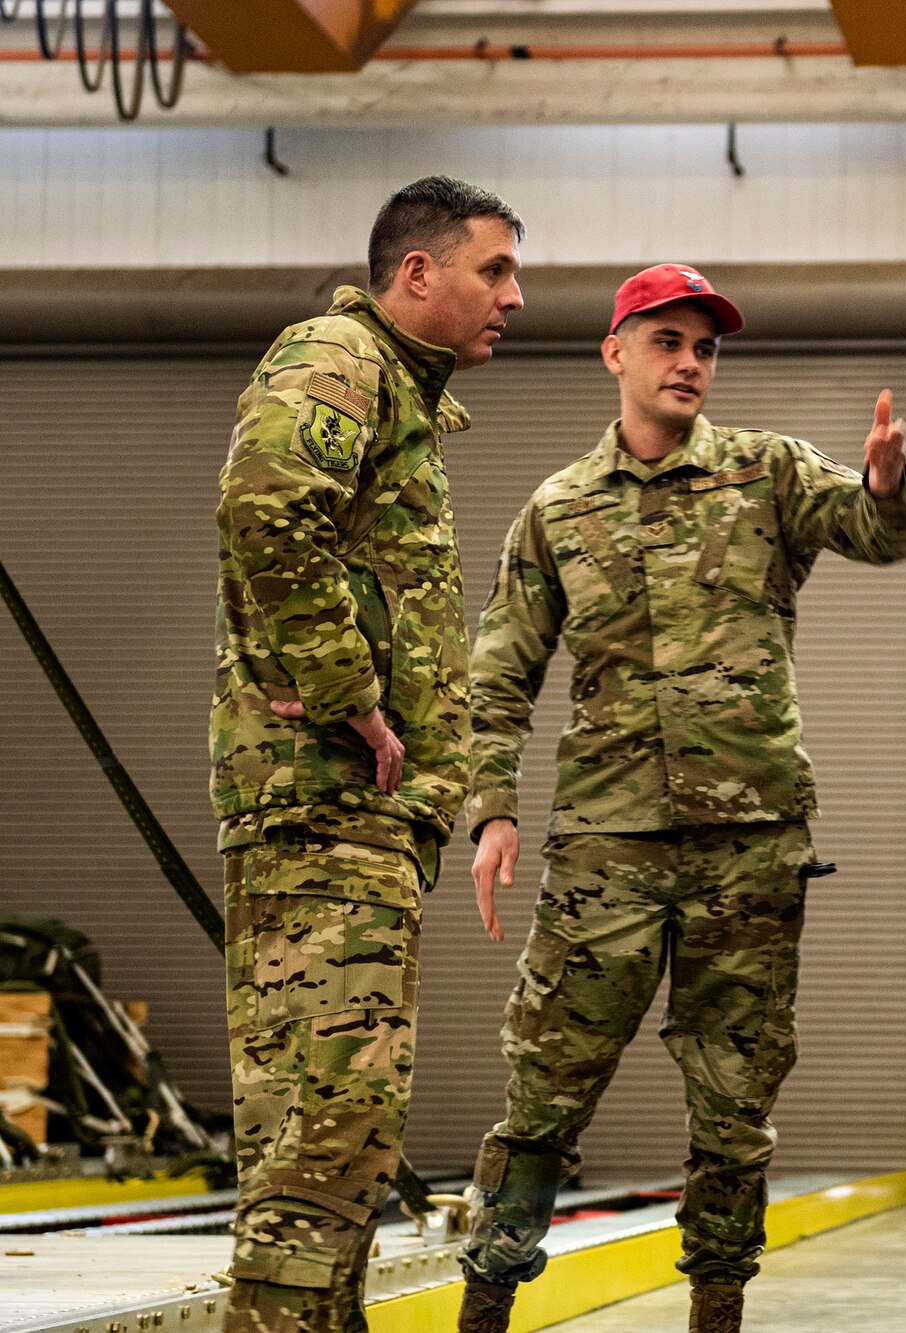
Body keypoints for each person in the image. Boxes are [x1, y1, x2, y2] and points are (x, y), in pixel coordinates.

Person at [453, 264, 906, 1333]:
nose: (689, 363)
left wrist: (886, 484)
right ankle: (485, 1302)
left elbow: (880, 534)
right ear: (615, 354)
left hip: (750, 845)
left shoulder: (766, 473)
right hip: (604, 845)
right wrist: (492, 808)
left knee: (735, 1102)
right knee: (545, 1089)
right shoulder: (558, 509)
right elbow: (497, 671)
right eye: (667, 341)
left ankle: (716, 1308)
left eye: (706, 347)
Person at [210, 176, 524, 1333]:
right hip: (320, 806)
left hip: (359, 821)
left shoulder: (399, 391)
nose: (513, 296)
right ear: (416, 274)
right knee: (325, 1141)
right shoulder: (337, 356)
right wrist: (352, 699)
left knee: (335, 1144)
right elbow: (265, 504)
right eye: (493, 271)